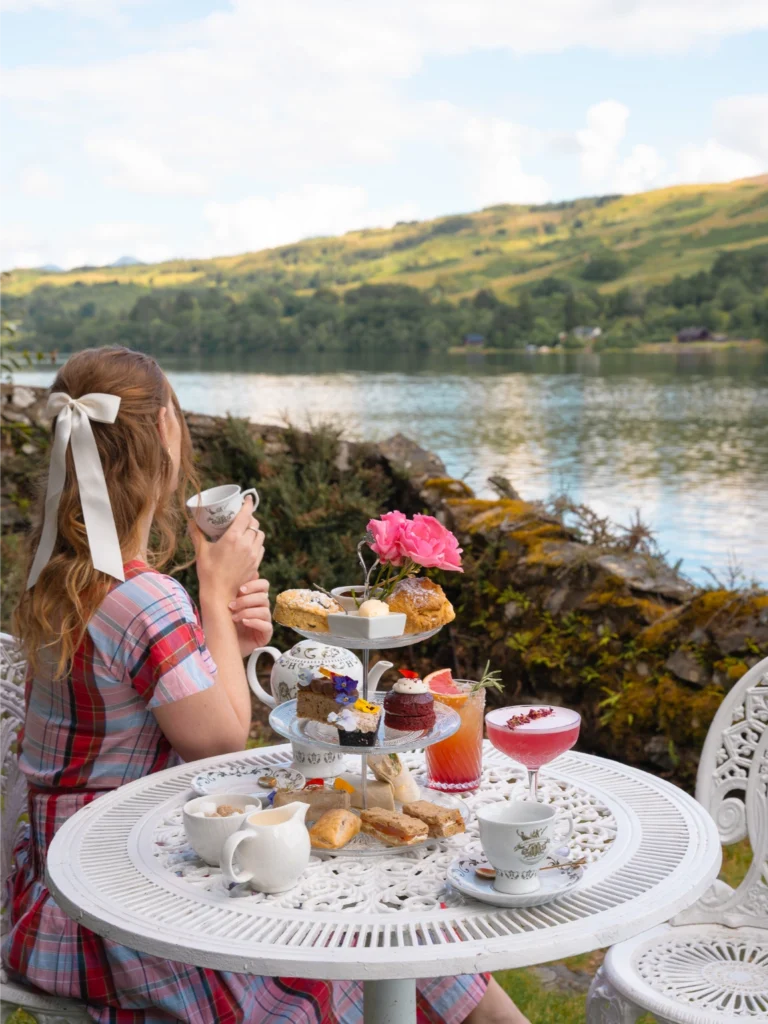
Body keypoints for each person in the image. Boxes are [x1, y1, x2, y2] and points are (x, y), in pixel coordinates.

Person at [2, 346, 528, 1024]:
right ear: (165, 429)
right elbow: (218, 741)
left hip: (56, 884)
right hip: (118, 898)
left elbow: (163, 704)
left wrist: (226, 638)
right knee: (356, 936)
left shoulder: (64, 576)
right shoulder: (146, 598)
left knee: (377, 922)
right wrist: (214, 588)